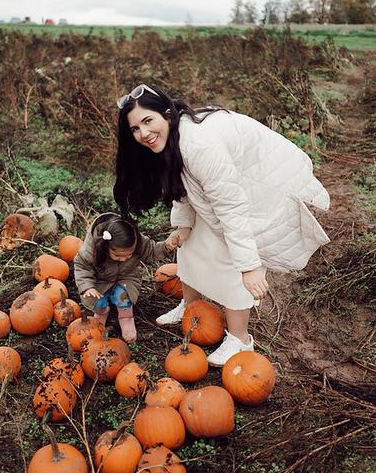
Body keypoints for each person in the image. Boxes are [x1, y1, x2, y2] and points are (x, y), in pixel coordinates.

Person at [113, 83, 330, 365]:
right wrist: (183, 224)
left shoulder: (199, 146)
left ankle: (240, 340)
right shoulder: (172, 137)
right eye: (135, 129)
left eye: (147, 121)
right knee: (191, 243)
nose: (143, 134)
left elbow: (231, 208)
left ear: (166, 113)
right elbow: (181, 182)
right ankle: (191, 307)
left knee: (230, 258)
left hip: (260, 182)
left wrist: (249, 267)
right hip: (227, 186)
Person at [73, 212, 177, 343]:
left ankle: (126, 318)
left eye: (129, 256)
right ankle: (100, 316)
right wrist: (87, 287)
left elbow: (152, 251)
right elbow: (82, 267)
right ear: (106, 247)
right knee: (99, 301)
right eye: (118, 256)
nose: (123, 259)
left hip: (127, 277)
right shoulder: (93, 249)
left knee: (123, 296)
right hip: (101, 280)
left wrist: (166, 246)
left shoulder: (136, 240)